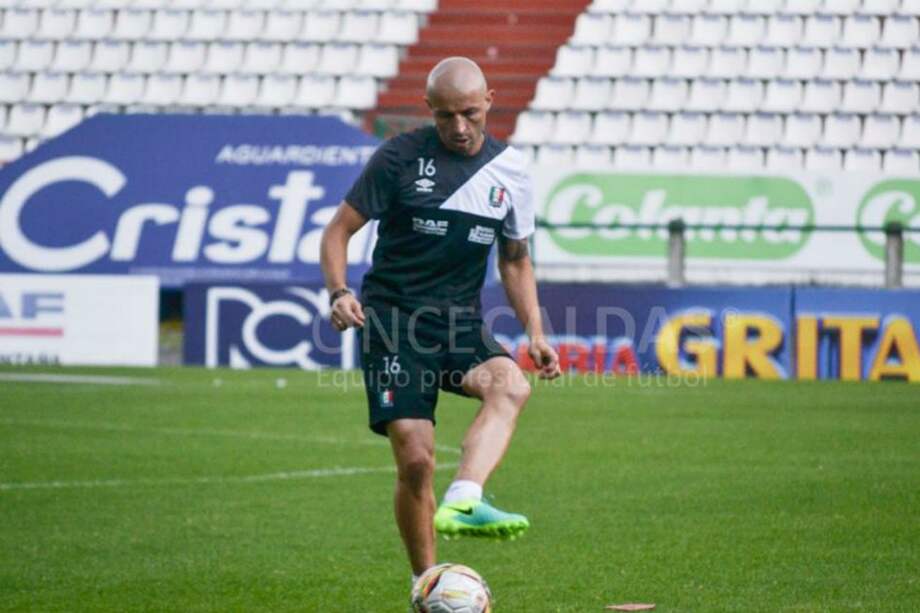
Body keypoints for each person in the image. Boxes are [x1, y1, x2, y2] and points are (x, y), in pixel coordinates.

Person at [320, 56, 561, 582]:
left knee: (512, 384)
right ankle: (425, 581)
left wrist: (536, 333)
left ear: (489, 102)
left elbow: (515, 259)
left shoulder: (511, 171)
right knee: (415, 460)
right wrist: (339, 292)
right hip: (393, 322)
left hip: (457, 321)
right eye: (446, 115)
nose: (458, 127)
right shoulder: (399, 158)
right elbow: (338, 230)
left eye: (470, 114)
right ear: (429, 109)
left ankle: (466, 496)